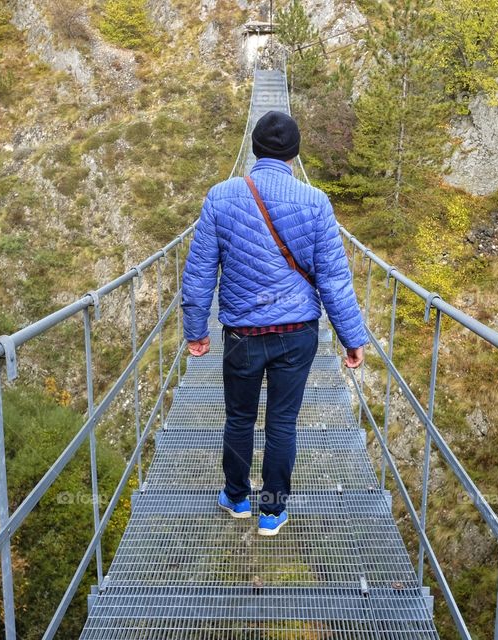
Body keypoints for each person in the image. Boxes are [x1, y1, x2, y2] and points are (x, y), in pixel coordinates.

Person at [181, 110, 368, 537]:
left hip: (242, 334)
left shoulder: (221, 196)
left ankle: (236, 496)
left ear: (254, 148)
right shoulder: (316, 202)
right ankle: (272, 512)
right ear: (294, 153)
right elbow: (334, 279)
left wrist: (196, 330)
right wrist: (351, 337)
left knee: (239, 417)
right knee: (283, 422)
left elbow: (199, 273)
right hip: (297, 333)